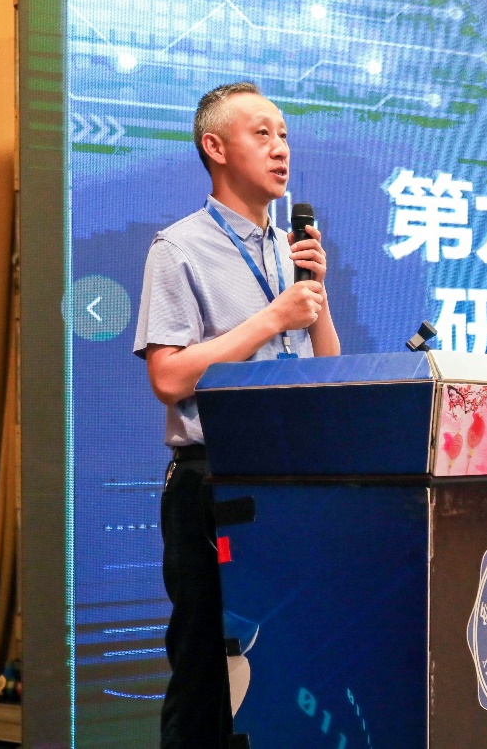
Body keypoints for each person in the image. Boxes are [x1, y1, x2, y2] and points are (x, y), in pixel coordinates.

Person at [133, 81, 341, 749]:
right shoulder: (178, 248)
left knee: (293, 666)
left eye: (284, 135)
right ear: (215, 148)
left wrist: (315, 294)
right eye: (262, 133)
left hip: (292, 480)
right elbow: (169, 377)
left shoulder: (291, 248)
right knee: (208, 668)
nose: (280, 149)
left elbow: (326, 371)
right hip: (212, 484)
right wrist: (271, 318)